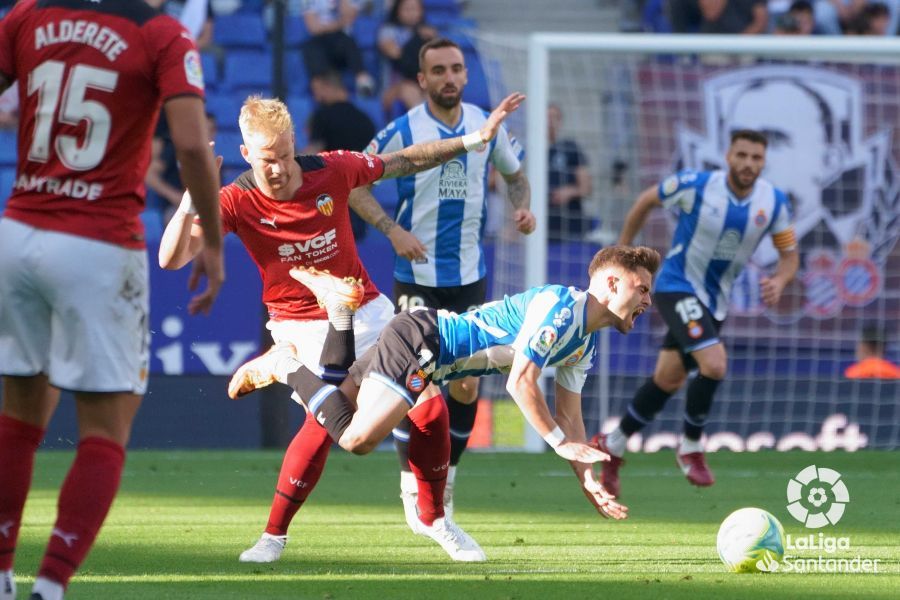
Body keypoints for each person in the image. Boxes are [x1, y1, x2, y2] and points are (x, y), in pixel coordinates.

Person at [160, 91, 526, 564]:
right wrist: (192, 197)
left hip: (366, 310)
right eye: (267, 159)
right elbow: (171, 259)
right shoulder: (235, 200)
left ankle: (436, 520)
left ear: (296, 144)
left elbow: (402, 161)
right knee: (331, 418)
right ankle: (273, 535)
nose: (279, 168)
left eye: (286, 155)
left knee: (429, 408)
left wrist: (473, 139)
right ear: (248, 154)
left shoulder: (331, 169)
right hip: (300, 324)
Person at [0, 1, 224, 599]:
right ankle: (49, 586)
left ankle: (0, 575)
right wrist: (215, 244)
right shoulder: (161, 33)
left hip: (18, 230)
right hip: (98, 244)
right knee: (105, 427)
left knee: (18, 418)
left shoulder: (27, 15)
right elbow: (193, 148)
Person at [232, 245, 661, 534]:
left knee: (337, 403)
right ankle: (286, 363)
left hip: (432, 363)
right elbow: (521, 382)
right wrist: (558, 444)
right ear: (609, 284)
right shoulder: (562, 310)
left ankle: (338, 314)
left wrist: (587, 480)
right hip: (423, 339)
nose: (647, 301)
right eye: (641, 289)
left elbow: (570, 418)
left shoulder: (584, 342)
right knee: (358, 439)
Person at [348, 37, 535, 529]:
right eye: (439, 70)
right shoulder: (402, 130)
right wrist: (391, 230)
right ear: (422, 79)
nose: (449, 77)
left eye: (456, 68)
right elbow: (355, 183)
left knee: (468, 386)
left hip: (469, 276)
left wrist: (521, 204)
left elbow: (515, 175)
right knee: (421, 385)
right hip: (417, 276)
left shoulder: (487, 125)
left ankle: (445, 478)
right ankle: (412, 482)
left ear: (465, 76)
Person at [596, 130, 799, 498]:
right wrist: (623, 255)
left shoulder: (773, 202)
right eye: (742, 155)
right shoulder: (696, 185)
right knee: (715, 364)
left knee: (668, 379)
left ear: (763, 162)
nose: (748, 164)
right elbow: (646, 200)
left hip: (716, 300)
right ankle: (690, 446)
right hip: (677, 285)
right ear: (728, 155)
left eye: (756, 158)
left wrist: (782, 281)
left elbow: (789, 255)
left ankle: (613, 443)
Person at [305, 71, 375, 240]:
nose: (317, 97)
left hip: (329, 200)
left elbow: (314, 153)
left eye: (317, 91)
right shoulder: (366, 121)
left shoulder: (322, 116)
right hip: (360, 199)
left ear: (327, 87)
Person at [301, 0, 375, 97]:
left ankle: (363, 82)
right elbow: (314, 28)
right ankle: (320, 88)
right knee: (311, 48)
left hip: (342, 43)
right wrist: (338, 24)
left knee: (348, 42)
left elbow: (349, 19)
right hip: (319, 42)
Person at [378, 0, 436, 114]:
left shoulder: (428, 32)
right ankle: (423, 125)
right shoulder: (387, 31)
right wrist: (418, 38)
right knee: (409, 89)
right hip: (393, 88)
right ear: (397, 11)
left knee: (436, 89)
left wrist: (432, 40)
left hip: (421, 83)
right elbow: (399, 58)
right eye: (407, 9)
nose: (412, 13)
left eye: (415, 9)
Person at [547, 103, 592, 243]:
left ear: (560, 122)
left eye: (555, 118)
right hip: (540, 227)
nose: (550, 122)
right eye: (547, 117)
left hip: (570, 226)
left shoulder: (570, 148)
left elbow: (587, 188)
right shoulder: (531, 151)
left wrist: (569, 192)